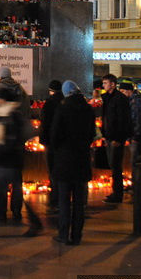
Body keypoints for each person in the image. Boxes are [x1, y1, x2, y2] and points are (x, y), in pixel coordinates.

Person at [0, 83, 42, 238]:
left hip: (6, 159)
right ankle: (31, 221)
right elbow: (27, 132)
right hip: (12, 159)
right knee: (10, 192)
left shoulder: (5, 115)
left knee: (1, 193)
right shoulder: (14, 114)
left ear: (2, 100)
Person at [50, 81, 94, 245]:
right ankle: (77, 235)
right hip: (82, 159)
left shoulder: (63, 109)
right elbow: (91, 134)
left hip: (64, 160)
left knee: (64, 200)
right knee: (78, 202)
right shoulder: (88, 109)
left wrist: (57, 150)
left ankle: (63, 233)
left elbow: (55, 134)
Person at [0, 66, 28, 221]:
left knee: (1, 182)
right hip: (18, 146)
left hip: (3, 146)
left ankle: (0, 213)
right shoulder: (21, 91)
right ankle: (16, 211)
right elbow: (27, 114)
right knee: (17, 180)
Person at [100, 74, 130, 204]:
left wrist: (118, 138)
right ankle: (115, 192)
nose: (103, 85)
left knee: (116, 166)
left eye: (105, 83)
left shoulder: (120, 99)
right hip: (109, 137)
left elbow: (123, 120)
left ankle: (118, 194)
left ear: (112, 84)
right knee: (113, 166)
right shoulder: (107, 98)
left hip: (116, 138)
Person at [39, 80, 64, 212]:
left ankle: (55, 198)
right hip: (63, 143)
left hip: (50, 141)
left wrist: (43, 140)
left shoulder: (49, 103)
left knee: (52, 170)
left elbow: (45, 123)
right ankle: (62, 197)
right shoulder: (65, 102)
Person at [121, 81, 141, 179]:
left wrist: (135, 136)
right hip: (137, 135)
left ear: (129, 91)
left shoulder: (136, 102)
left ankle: (138, 183)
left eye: (122, 91)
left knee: (136, 160)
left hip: (137, 136)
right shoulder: (134, 100)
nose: (121, 94)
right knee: (137, 159)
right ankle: (139, 182)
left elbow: (138, 120)